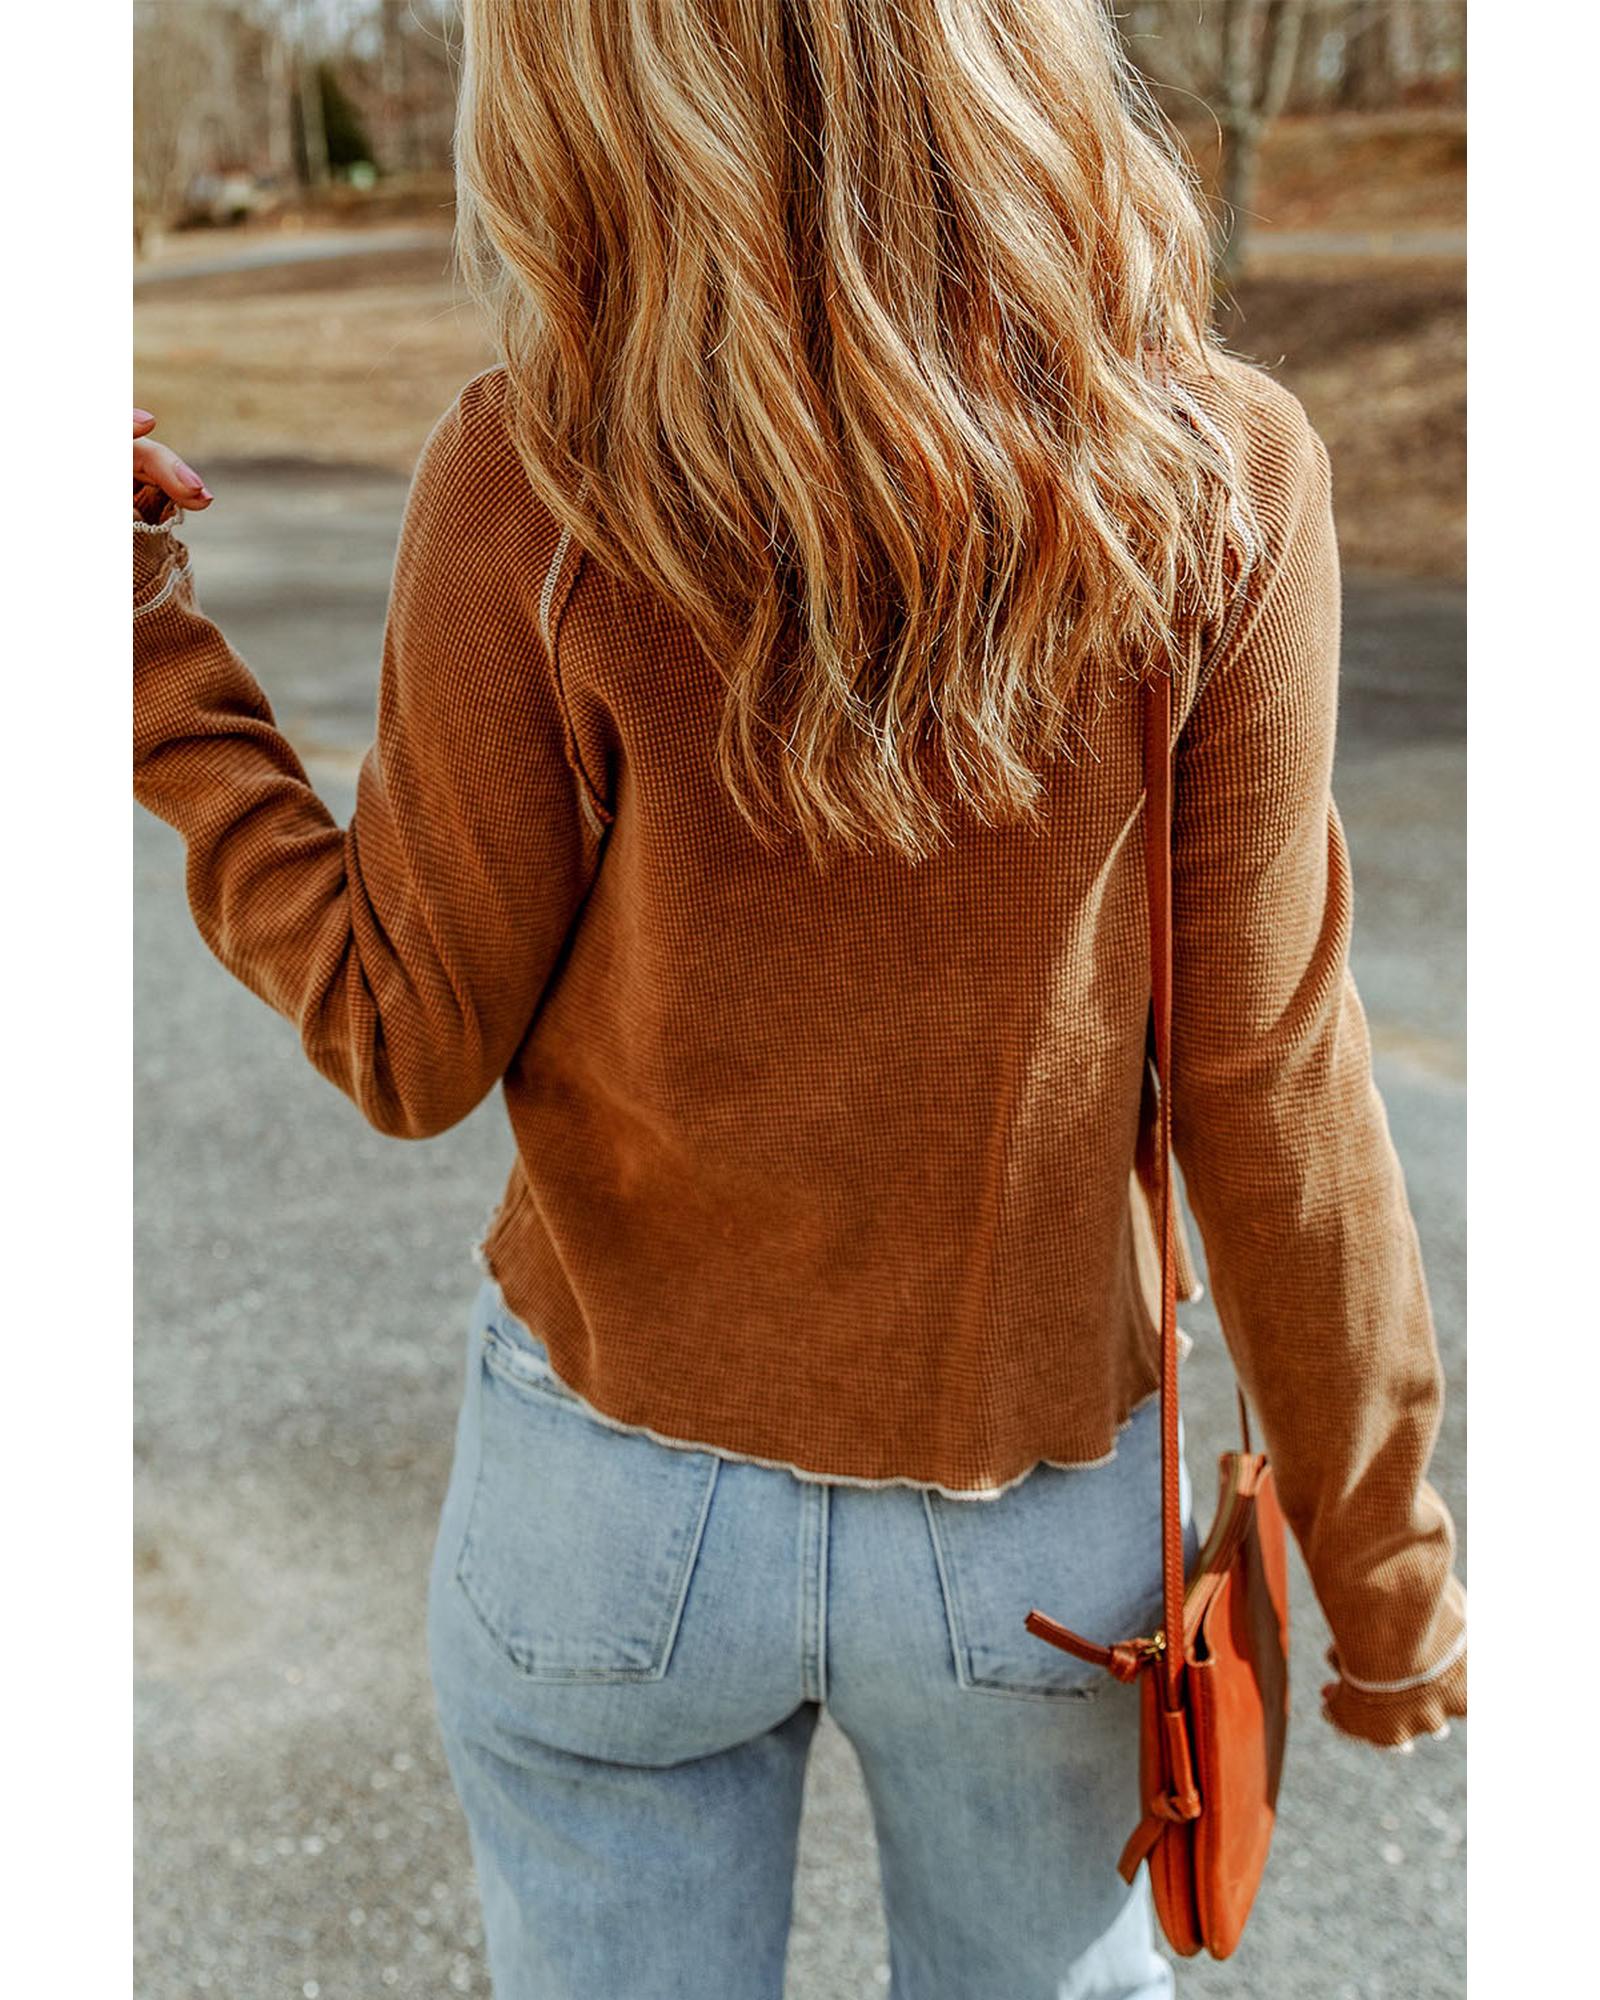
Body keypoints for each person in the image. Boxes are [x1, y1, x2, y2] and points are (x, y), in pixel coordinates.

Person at [132, 1, 1466, 1993]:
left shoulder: (533, 478)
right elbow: (1268, 1088)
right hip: (1036, 1544)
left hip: (609, 1508)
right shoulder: (1215, 474)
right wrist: (1383, 1574)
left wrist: (139, 646)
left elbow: (403, 1038)